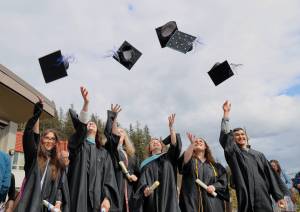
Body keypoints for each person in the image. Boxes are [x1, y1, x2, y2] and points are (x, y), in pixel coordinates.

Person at [219, 100, 286, 212]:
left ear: (246, 136)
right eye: (236, 135)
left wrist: (278, 197)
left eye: (242, 134)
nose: (240, 136)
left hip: (263, 195)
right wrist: (226, 114)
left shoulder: (259, 155)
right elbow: (226, 136)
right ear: (233, 139)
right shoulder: (233, 153)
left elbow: (271, 176)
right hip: (246, 195)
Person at [67, 86, 120, 212]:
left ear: (97, 132)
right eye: (88, 123)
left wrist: (107, 198)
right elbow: (80, 129)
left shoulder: (103, 153)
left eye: (94, 123)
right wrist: (86, 103)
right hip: (77, 197)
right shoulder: (78, 145)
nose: (91, 124)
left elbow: (109, 177)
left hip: (97, 202)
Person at [15, 97, 69, 212]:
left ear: (55, 142)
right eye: (47, 138)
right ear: (42, 140)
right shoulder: (34, 156)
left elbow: (59, 186)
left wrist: (58, 203)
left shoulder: (57, 163)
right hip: (28, 205)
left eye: (52, 139)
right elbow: (31, 135)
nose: (49, 141)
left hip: (46, 207)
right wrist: (38, 112)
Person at [133, 114, 182, 212]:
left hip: (168, 196)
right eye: (152, 142)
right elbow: (142, 181)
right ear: (149, 148)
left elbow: (174, 144)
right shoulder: (145, 164)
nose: (155, 142)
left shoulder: (168, 157)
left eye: (158, 142)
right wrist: (145, 189)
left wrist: (171, 128)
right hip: (152, 199)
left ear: (162, 146)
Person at [178, 132, 229, 212]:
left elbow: (223, 181)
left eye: (201, 141)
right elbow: (186, 158)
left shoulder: (216, 166)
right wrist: (191, 144)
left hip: (212, 203)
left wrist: (214, 186)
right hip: (191, 202)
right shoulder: (190, 162)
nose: (198, 142)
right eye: (196, 142)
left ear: (205, 147)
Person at [104, 104, 140, 212]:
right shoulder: (111, 150)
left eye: (121, 132)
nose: (119, 134)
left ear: (125, 137)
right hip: (114, 185)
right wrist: (114, 118)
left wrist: (135, 177)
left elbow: (139, 174)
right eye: (117, 132)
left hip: (128, 190)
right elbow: (112, 136)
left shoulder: (131, 155)